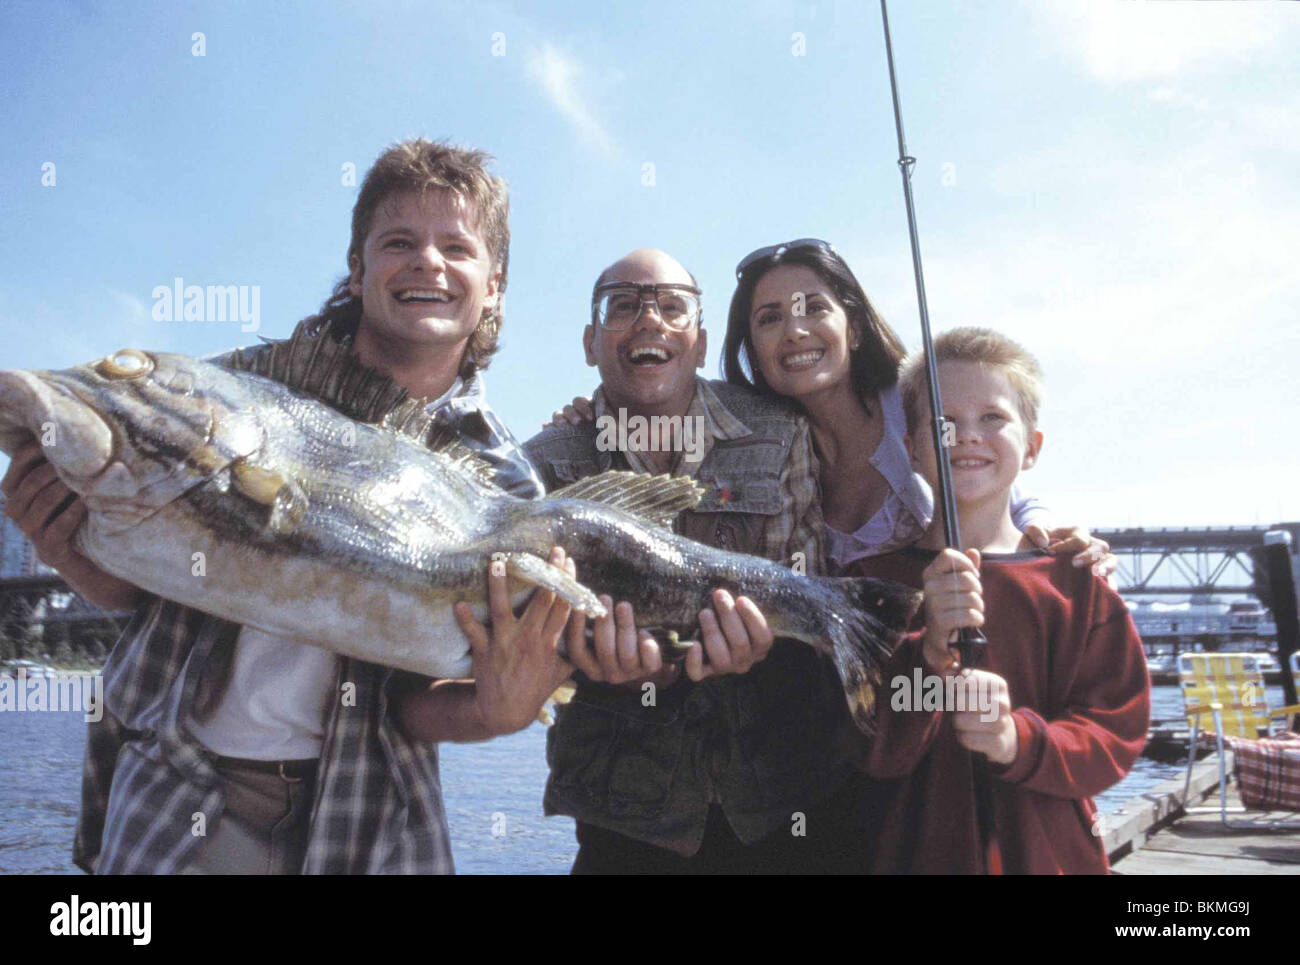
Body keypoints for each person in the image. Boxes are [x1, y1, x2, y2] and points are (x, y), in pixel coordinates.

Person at [2, 138, 575, 874]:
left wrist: (502, 709)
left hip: (368, 806)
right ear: (358, 268)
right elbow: (144, 589)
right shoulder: (237, 389)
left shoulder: (507, 483)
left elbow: (423, 695)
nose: (427, 262)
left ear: (493, 286)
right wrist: (64, 548)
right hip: (176, 789)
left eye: (455, 247)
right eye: (398, 241)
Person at [526, 249, 871, 873]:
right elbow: (525, 637)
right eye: (621, 306)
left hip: (787, 800)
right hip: (627, 822)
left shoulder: (781, 429)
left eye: (672, 305)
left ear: (702, 339)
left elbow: (806, 583)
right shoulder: (542, 464)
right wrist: (588, 665)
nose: (648, 320)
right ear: (589, 342)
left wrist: (766, 641)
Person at [847, 327, 1149, 873]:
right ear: (912, 449)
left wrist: (1018, 740)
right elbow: (861, 744)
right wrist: (927, 655)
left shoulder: (1079, 583)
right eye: (944, 420)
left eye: (993, 418)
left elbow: (1116, 729)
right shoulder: (865, 583)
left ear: (1031, 448)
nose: (967, 436)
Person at [720, 239, 1114, 573]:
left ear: (853, 327)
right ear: (752, 347)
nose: (795, 331)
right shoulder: (748, 448)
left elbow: (1005, 491)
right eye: (770, 318)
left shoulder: (915, 402)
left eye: (814, 308)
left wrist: (1058, 543)